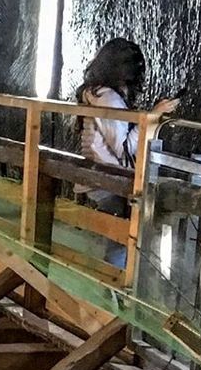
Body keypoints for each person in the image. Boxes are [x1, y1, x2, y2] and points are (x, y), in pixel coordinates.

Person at [74, 37, 178, 267]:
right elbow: (123, 148)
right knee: (122, 236)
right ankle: (114, 287)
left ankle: (113, 285)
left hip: (96, 172)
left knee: (120, 235)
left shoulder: (95, 93)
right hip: (107, 176)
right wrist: (152, 117)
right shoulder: (107, 97)